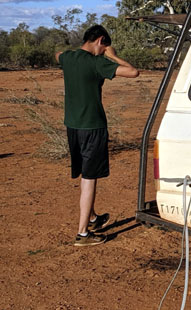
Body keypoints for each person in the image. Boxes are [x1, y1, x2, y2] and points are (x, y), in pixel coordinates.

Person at [56, 25, 139, 246]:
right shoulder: (97, 62)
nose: (104, 52)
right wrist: (114, 56)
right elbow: (133, 72)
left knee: (85, 172)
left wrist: (76, 53)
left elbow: (57, 55)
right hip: (92, 127)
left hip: (72, 126)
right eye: (104, 48)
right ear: (100, 40)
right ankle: (83, 233)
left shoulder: (69, 58)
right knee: (89, 179)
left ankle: (92, 218)